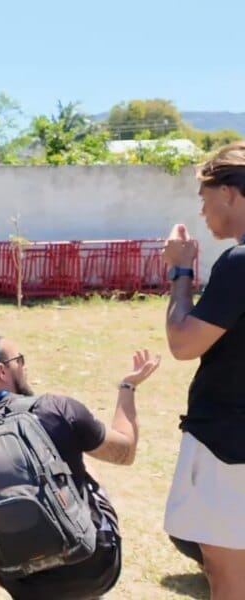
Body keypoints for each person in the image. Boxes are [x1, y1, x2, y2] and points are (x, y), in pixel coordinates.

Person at [0, 334, 160, 600]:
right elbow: (124, 452)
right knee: (82, 460)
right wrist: (128, 386)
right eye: (19, 361)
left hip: (23, 583)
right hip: (95, 568)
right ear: (2, 371)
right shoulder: (56, 409)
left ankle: (17, 579)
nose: (24, 367)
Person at [163, 140, 245, 599]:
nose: (202, 210)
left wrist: (180, 273)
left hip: (229, 447)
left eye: (205, 197)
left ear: (231, 193)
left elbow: (183, 342)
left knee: (225, 569)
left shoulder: (240, 262)